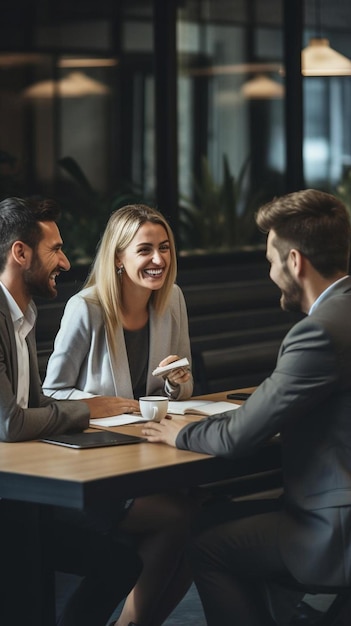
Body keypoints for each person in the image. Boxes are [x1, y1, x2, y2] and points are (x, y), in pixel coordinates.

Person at [141, 189, 351, 626]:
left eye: (271, 260)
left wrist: (178, 432)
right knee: (225, 516)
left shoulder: (318, 332)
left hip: (335, 531)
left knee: (207, 546)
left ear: (295, 262)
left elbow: (239, 435)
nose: (270, 272)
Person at [43, 204, 195, 626]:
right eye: (145, 250)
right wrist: (97, 403)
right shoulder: (86, 307)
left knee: (195, 528)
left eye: (164, 248)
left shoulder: (173, 299)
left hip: (148, 457)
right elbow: (51, 392)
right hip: (95, 472)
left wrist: (173, 382)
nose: (159, 260)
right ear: (118, 258)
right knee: (179, 519)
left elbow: (181, 386)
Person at [0, 196, 141, 626]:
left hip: (21, 490)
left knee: (120, 563)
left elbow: (36, 404)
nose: (64, 261)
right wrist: (86, 410)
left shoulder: (23, 312)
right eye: (55, 249)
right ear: (19, 253)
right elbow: (10, 422)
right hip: (8, 497)